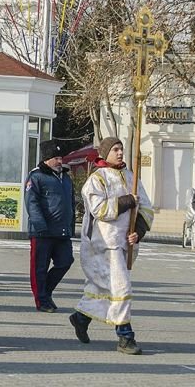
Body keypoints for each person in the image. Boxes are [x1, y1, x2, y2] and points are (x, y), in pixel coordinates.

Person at [69, 137, 153, 355]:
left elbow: (145, 207)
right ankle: (125, 336)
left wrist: (138, 231)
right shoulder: (97, 179)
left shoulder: (131, 177)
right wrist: (126, 201)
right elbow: (100, 210)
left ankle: (80, 318)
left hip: (124, 242)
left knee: (101, 288)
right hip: (103, 244)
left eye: (121, 149)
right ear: (105, 153)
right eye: (115, 149)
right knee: (121, 288)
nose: (119, 153)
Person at [25, 140, 76, 313]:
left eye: (61, 157)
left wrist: (71, 226)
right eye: (56, 158)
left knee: (65, 261)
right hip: (42, 231)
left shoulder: (66, 178)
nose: (60, 161)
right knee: (39, 267)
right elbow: (32, 203)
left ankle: (45, 291)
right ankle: (42, 301)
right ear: (47, 159)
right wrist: (40, 225)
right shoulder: (36, 176)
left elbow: (70, 203)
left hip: (62, 231)